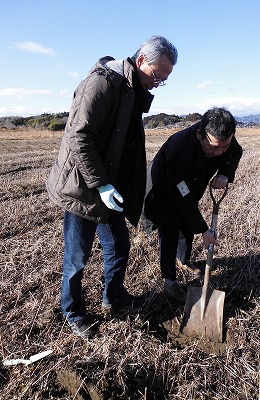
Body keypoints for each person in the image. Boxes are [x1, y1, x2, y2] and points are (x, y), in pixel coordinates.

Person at [46, 36, 178, 338]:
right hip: (83, 187)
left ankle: (113, 296)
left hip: (110, 188)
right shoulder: (101, 84)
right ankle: (73, 311)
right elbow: (79, 138)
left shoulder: (132, 90)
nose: (158, 83)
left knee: (119, 245)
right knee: (77, 257)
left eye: (165, 80)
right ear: (141, 60)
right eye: (158, 75)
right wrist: (102, 184)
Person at [143, 107, 243, 304]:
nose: (219, 152)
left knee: (187, 227)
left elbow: (236, 152)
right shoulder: (179, 149)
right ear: (200, 134)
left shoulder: (223, 138)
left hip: (190, 186)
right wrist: (204, 230)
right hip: (163, 191)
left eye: (224, 147)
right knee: (170, 229)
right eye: (214, 147)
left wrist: (225, 172)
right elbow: (182, 198)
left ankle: (183, 259)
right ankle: (170, 281)